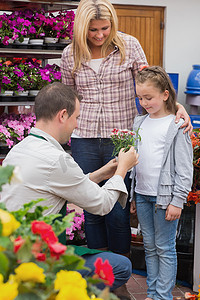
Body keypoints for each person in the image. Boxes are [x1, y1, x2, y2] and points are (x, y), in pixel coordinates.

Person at [60, 0, 192, 257]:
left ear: (113, 25)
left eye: (105, 28)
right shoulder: (70, 54)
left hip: (120, 138)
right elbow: (68, 97)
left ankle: (119, 272)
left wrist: (176, 105)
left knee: (117, 209)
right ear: (81, 28)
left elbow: (150, 83)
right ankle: (101, 271)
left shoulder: (129, 46)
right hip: (83, 138)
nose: (100, 35)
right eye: (93, 30)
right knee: (91, 205)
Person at [0, 82, 138, 299]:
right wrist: (122, 169)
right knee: (121, 266)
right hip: (38, 262)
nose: (76, 125)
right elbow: (101, 204)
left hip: (10, 252)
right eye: (76, 118)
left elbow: (60, 184)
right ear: (63, 115)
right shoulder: (57, 159)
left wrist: (103, 173)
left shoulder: (21, 148)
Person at [130, 66, 193, 300]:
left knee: (165, 249)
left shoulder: (177, 125)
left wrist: (177, 201)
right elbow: (136, 163)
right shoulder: (139, 123)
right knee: (149, 246)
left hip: (165, 199)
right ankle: (152, 293)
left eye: (149, 97)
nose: (144, 102)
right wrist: (134, 194)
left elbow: (185, 170)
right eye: (140, 98)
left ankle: (163, 296)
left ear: (165, 95)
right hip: (143, 195)